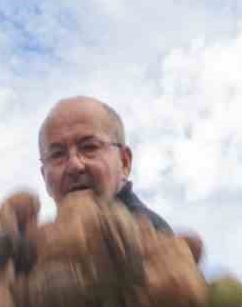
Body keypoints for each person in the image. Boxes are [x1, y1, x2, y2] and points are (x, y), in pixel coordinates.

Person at [38, 97, 172, 234]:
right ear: (44, 177)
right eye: (57, 154)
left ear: (124, 162)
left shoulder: (148, 237)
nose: (74, 165)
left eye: (89, 147)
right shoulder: (44, 244)